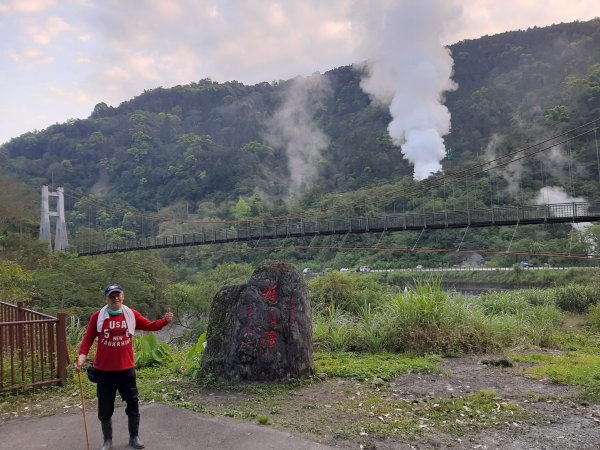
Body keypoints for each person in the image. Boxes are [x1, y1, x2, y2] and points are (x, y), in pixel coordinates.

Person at [75, 284, 174, 450]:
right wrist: (81, 358)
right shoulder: (98, 316)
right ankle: (107, 441)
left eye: (118, 295)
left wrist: (165, 321)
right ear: (106, 299)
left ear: (123, 296)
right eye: (111, 295)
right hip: (104, 372)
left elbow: (151, 326)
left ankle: (134, 437)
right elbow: (87, 340)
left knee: (133, 404)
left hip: (126, 371)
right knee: (105, 409)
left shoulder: (131, 315)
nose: (115, 298)